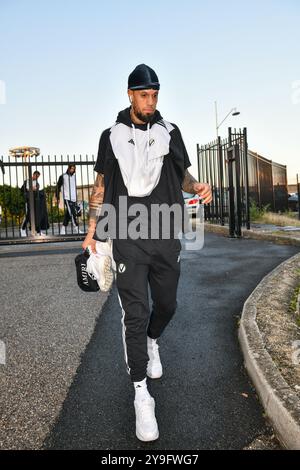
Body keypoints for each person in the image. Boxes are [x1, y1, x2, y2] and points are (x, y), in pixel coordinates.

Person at [82, 64, 212, 442]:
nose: (150, 101)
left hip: (164, 233)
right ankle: (141, 394)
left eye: (155, 95)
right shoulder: (111, 135)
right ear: (130, 95)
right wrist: (93, 232)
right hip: (127, 237)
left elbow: (183, 175)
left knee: (168, 305)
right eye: (144, 95)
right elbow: (101, 187)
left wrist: (198, 184)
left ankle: (154, 341)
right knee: (134, 314)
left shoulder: (170, 132)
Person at [20, 170, 49, 237]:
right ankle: (22, 229)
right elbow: (24, 190)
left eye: (38, 177)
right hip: (28, 201)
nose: (36, 178)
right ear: (33, 174)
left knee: (36, 216)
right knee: (28, 215)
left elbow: (36, 190)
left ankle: (38, 231)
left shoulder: (37, 183)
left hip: (34, 202)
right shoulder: (27, 181)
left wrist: (36, 188)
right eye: (36, 176)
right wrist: (31, 189)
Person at [56, 164, 83, 234]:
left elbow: (74, 187)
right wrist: (57, 197)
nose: (72, 170)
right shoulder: (63, 176)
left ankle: (63, 229)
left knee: (68, 214)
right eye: (71, 169)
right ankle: (77, 229)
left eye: (74, 169)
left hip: (74, 198)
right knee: (72, 213)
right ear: (68, 168)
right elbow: (58, 187)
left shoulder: (74, 177)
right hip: (67, 198)